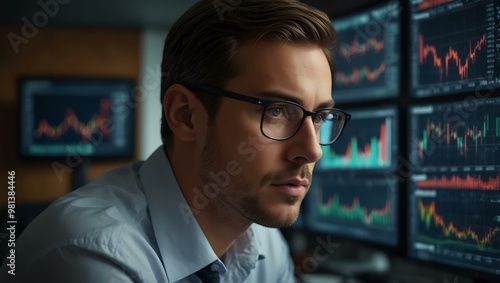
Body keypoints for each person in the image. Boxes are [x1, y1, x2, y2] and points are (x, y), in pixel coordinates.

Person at [1, 0, 350, 282]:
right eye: (277, 111)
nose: (313, 149)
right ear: (184, 115)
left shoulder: (263, 243)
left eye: (319, 117)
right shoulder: (87, 256)